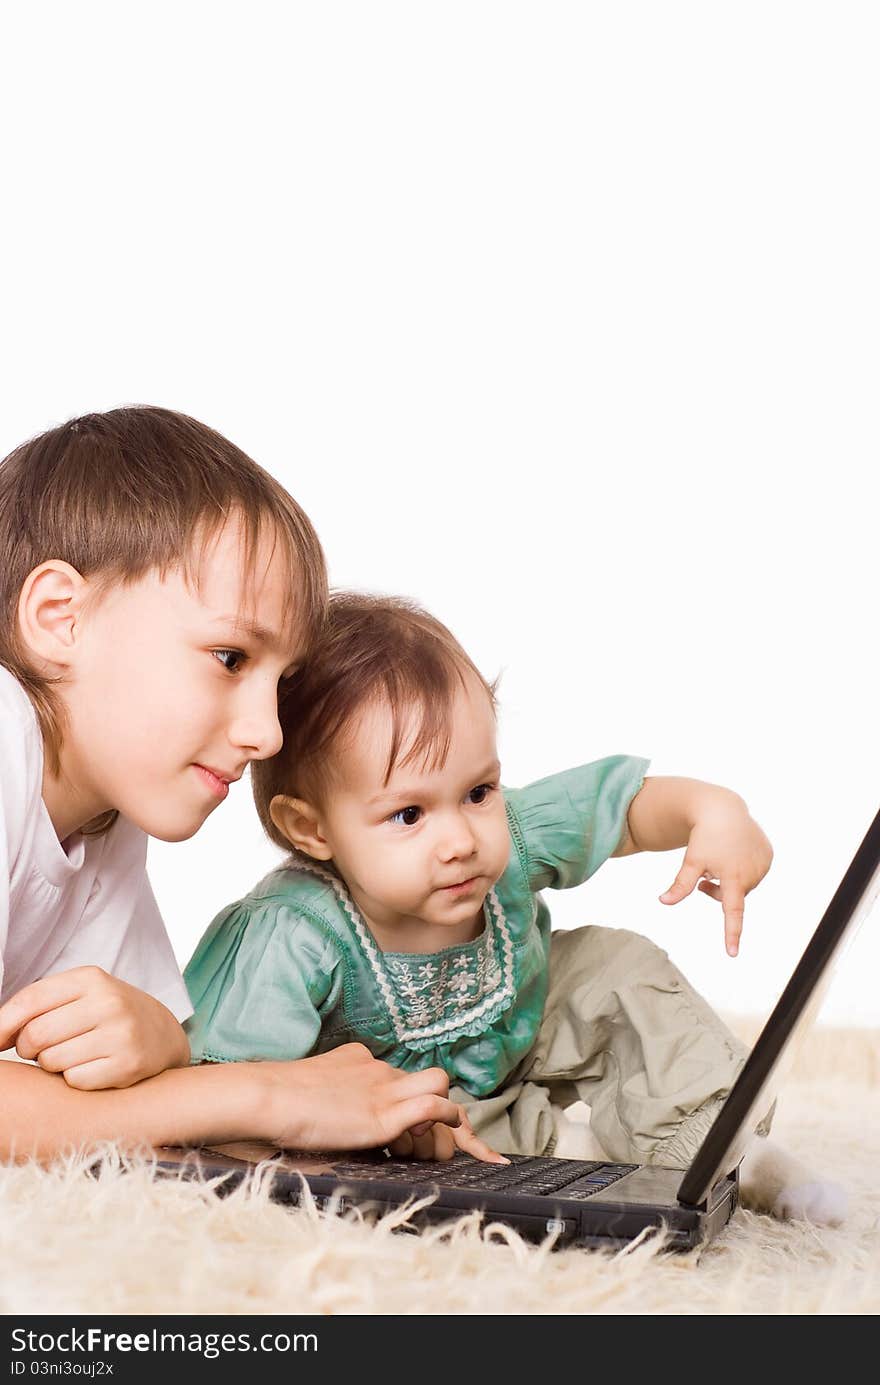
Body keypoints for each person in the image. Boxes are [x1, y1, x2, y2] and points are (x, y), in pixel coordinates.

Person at [184, 592, 846, 1222]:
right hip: (416, 1115)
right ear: (313, 829)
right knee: (474, 1145)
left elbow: (624, 811)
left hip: (523, 1022)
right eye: (409, 813)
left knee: (613, 966)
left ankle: (723, 1148)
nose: (461, 839)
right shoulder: (293, 934)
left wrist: (713, 809)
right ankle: (579, 1151)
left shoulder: (510, 836)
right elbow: (238, 1091)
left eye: (477, 790)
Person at [0, 410, 480, 1163]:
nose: (269, 735)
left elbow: (116, 1095)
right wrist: (267, 1095)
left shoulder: (102, 818)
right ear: (61, 617)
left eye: (280, 680)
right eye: (230, 656)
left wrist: (165, 1045)